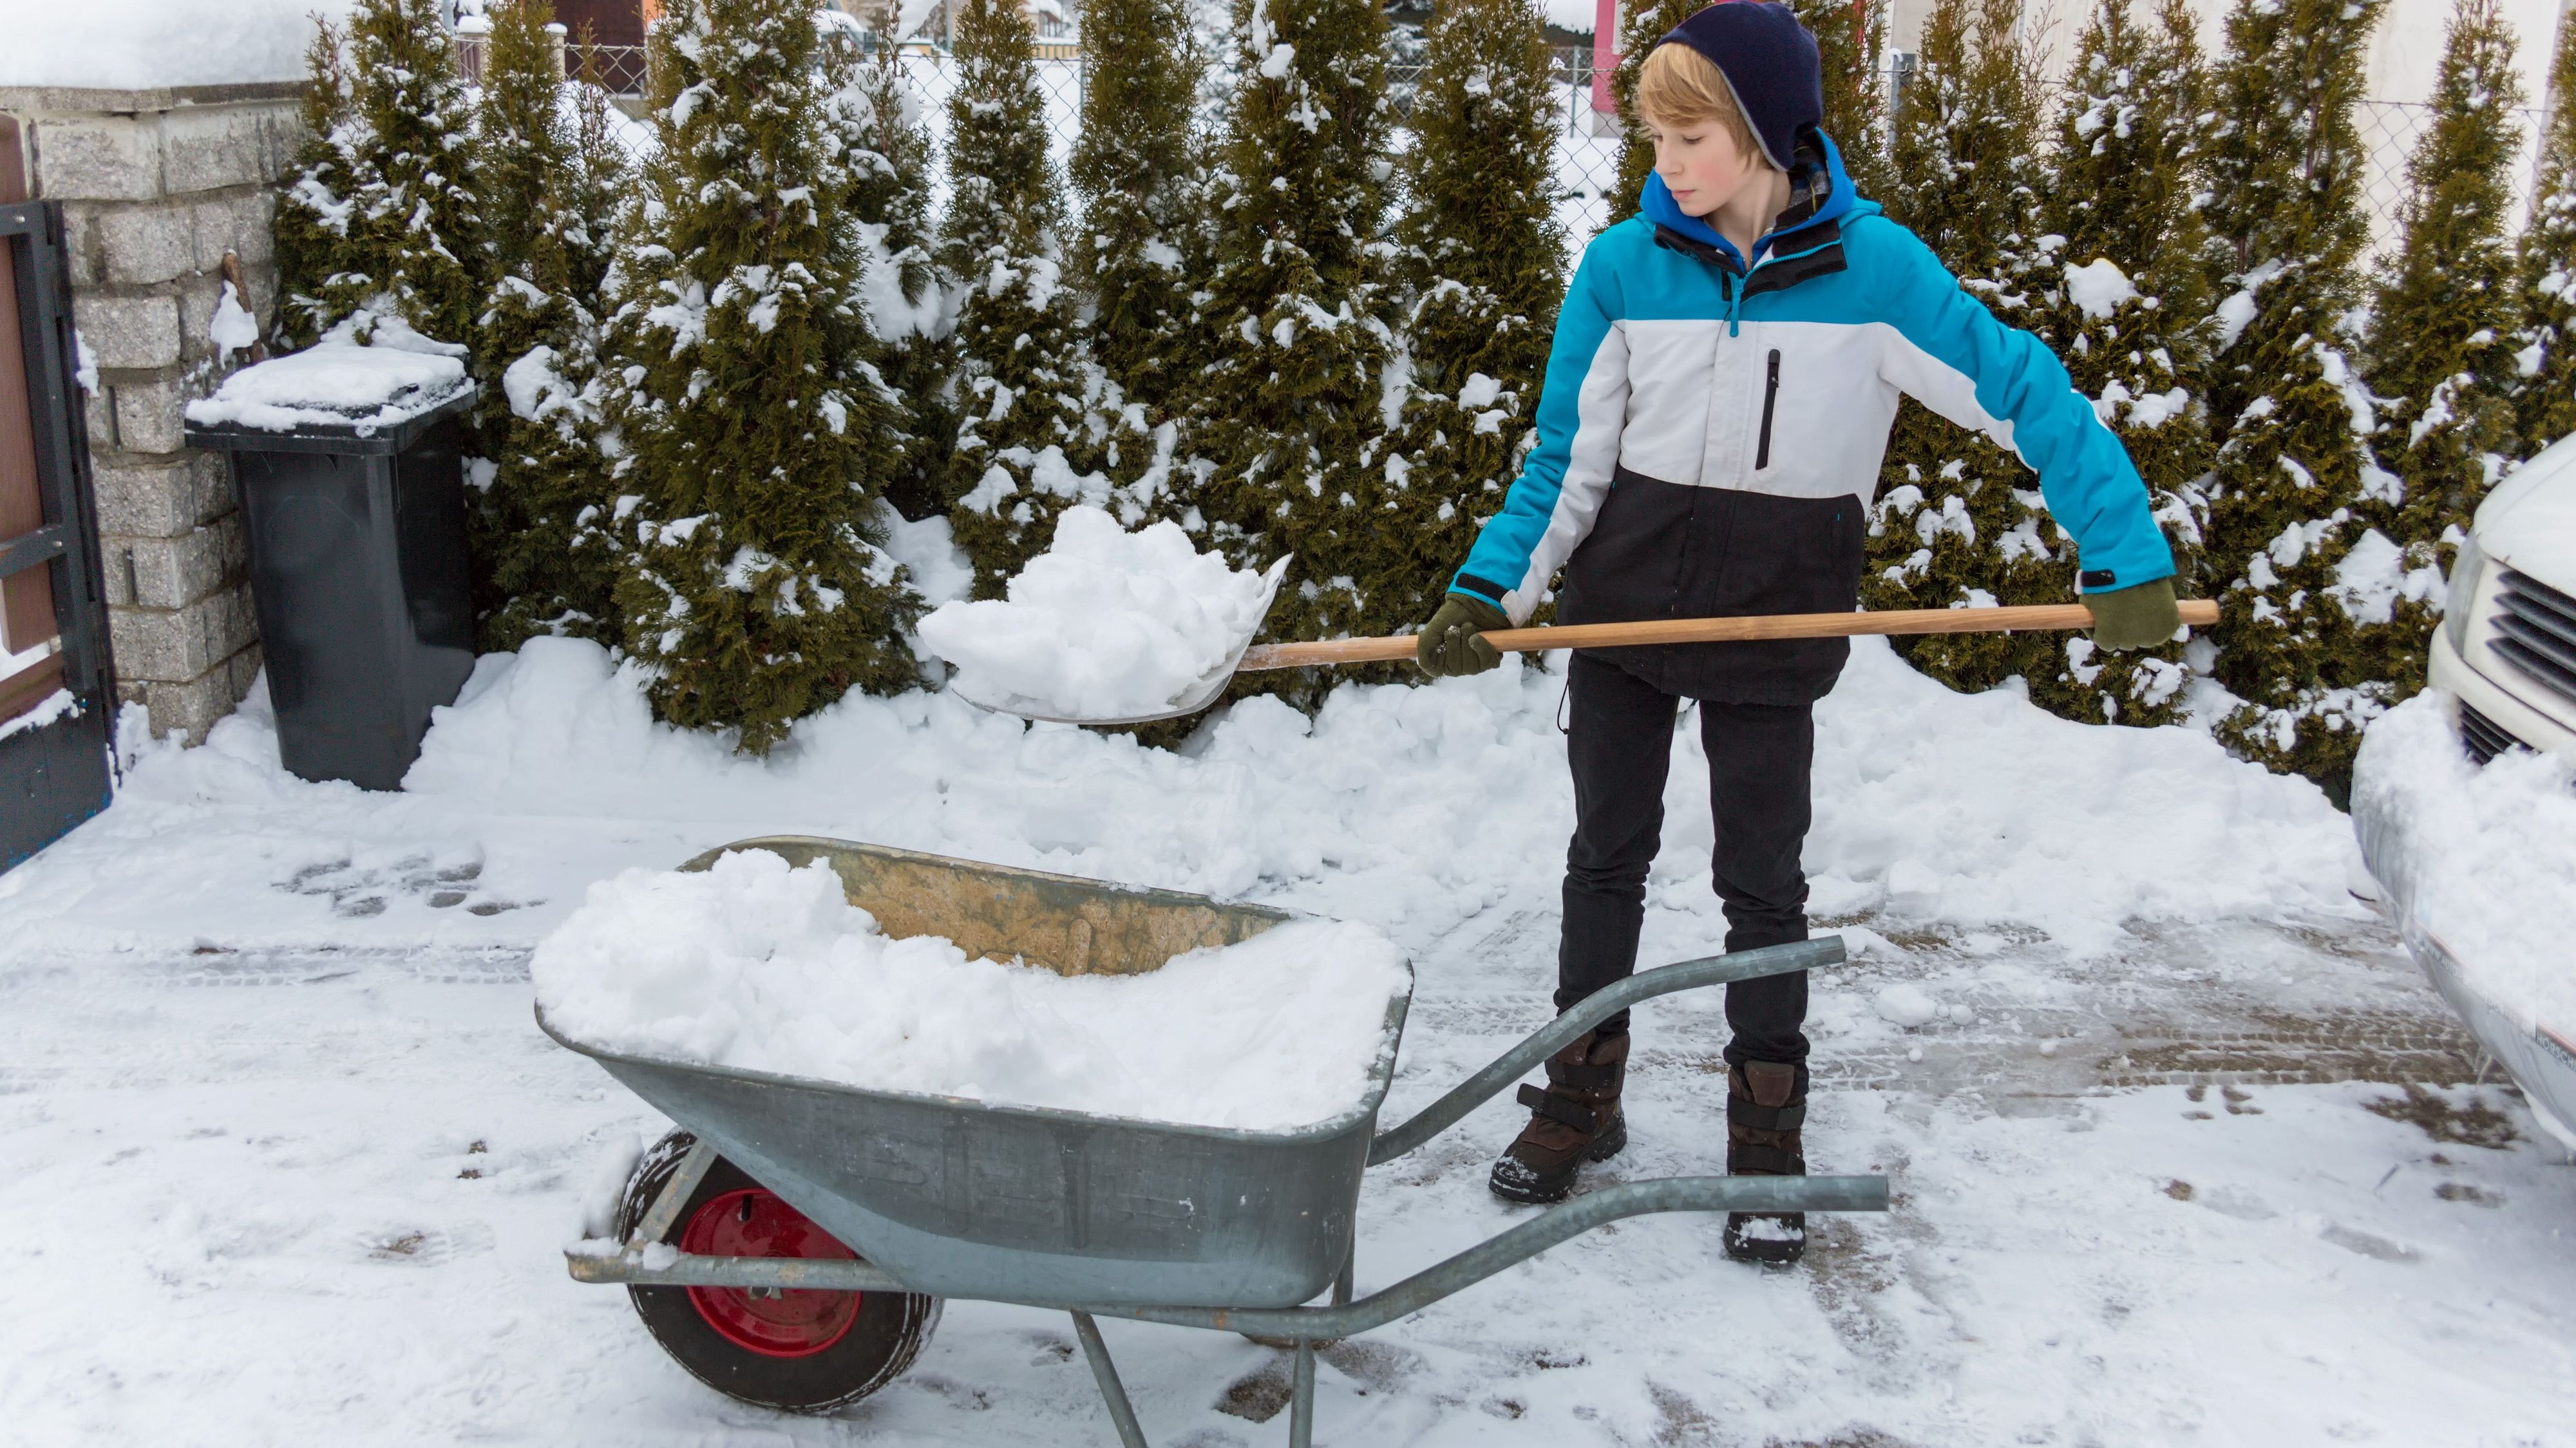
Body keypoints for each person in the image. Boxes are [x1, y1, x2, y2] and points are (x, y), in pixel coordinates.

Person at [1412, 0, 2179, 1265]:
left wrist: (2120, 549)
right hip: (1622, 615)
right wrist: (1489, 592)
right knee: (1604, 857)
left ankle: (1764, 1130)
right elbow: (1563, 461)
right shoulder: (1619, 269)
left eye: (1688, 132)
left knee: (1760, 885)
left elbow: (2021, 389)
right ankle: (1578, 1094)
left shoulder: (1873, 276)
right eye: (1653, 132)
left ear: (1768, 132)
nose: (1661, 157)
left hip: (1775, 622)